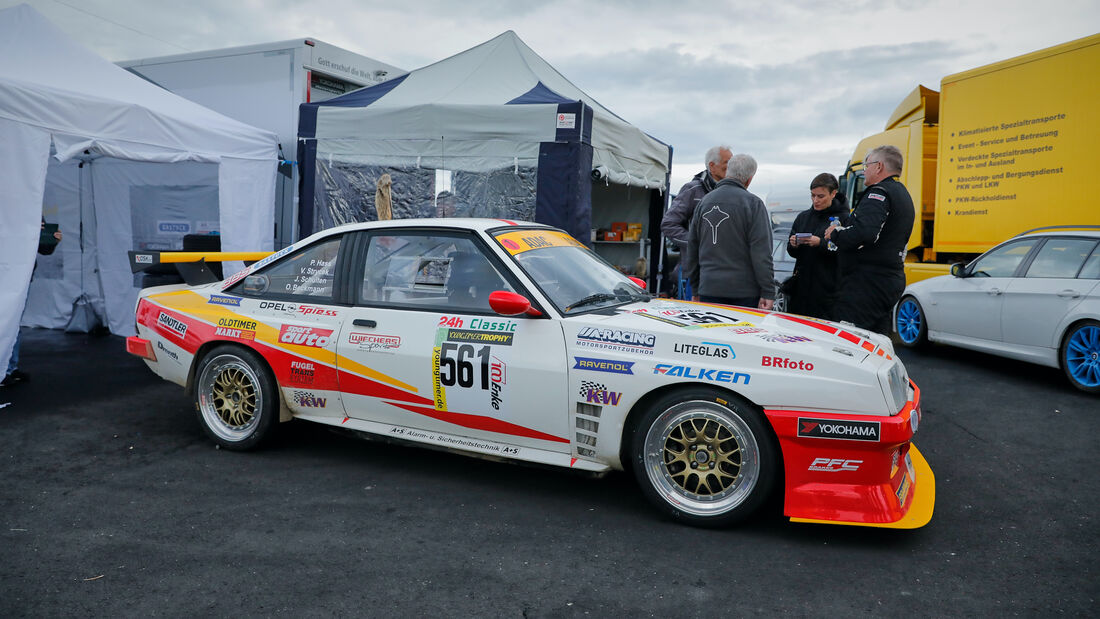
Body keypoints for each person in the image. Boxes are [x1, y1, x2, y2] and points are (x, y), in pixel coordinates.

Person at [824, 144, 915, 333]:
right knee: (876, 339)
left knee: (851, 340)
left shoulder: (879, 193)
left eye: (867, 166)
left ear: (879, 166)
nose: (865, 171)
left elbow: (864, 233)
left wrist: (835, 232)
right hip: (886, 279)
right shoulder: (902, 193)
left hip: (866, 285)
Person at [685, 154, 774, 309]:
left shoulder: (704, 203)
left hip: (708, 289)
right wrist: (768, 291)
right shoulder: (753, 204)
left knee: (710, 333)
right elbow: (761, 253)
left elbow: (692, 248)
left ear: (728, 172)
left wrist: (695, 287)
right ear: (749, 179)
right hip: (744, 293)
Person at [661, 145, 731, 296]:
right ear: (712, 166)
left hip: (726, 274)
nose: (732, 167)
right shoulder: (693, 190)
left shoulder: (733, 193)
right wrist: (696, 242)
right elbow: (668, 224)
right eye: (727, 163)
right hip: (696, 274)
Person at [4, 219, 62, 387]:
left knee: (13, 325)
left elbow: (43, 248)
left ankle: (9, 368)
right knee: (8, 324)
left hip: (22, 278)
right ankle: (6, 368)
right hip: (7, 275)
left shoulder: (33, 208)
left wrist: (53, 240)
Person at [784, 173, 851, 319]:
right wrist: (793, 243)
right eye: (812, 196)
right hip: (800, 291)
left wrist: (820, 243)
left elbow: (846, 252)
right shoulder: (803, 217)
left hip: (828, 294)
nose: (815, 200)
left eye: (820, 196)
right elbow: (791, 251)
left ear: (833, 193)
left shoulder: (845, 219)